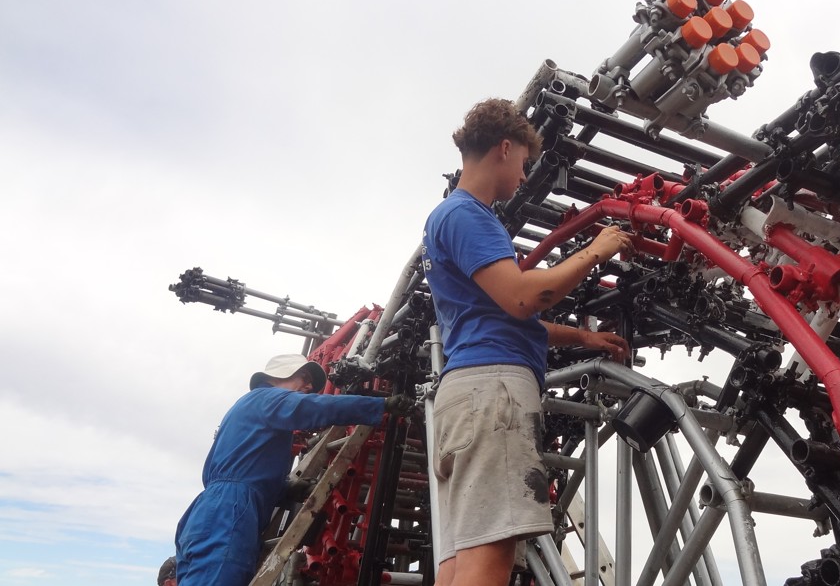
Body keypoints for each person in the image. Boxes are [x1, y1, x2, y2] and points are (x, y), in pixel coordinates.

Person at [422, 98, 633, 586]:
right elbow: (522, 298)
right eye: (523, 161)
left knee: (458, 563)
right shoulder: (468, 215)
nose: (523, 175)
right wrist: (595, 251)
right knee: (488, 560)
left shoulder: (448, 218)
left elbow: (502, 314)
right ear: (504, 148)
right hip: (492, 395)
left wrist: (581, 336)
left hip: (466, 396)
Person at [174, 353, 410, 586]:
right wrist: (381, 405)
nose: (309, 387)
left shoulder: (251, 409)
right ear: (277, 377)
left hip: (216, 509)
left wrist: (284, 490)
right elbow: (313, 408)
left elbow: (247, 468)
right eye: (304, 377)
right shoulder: (266, 398)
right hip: (230, 508)